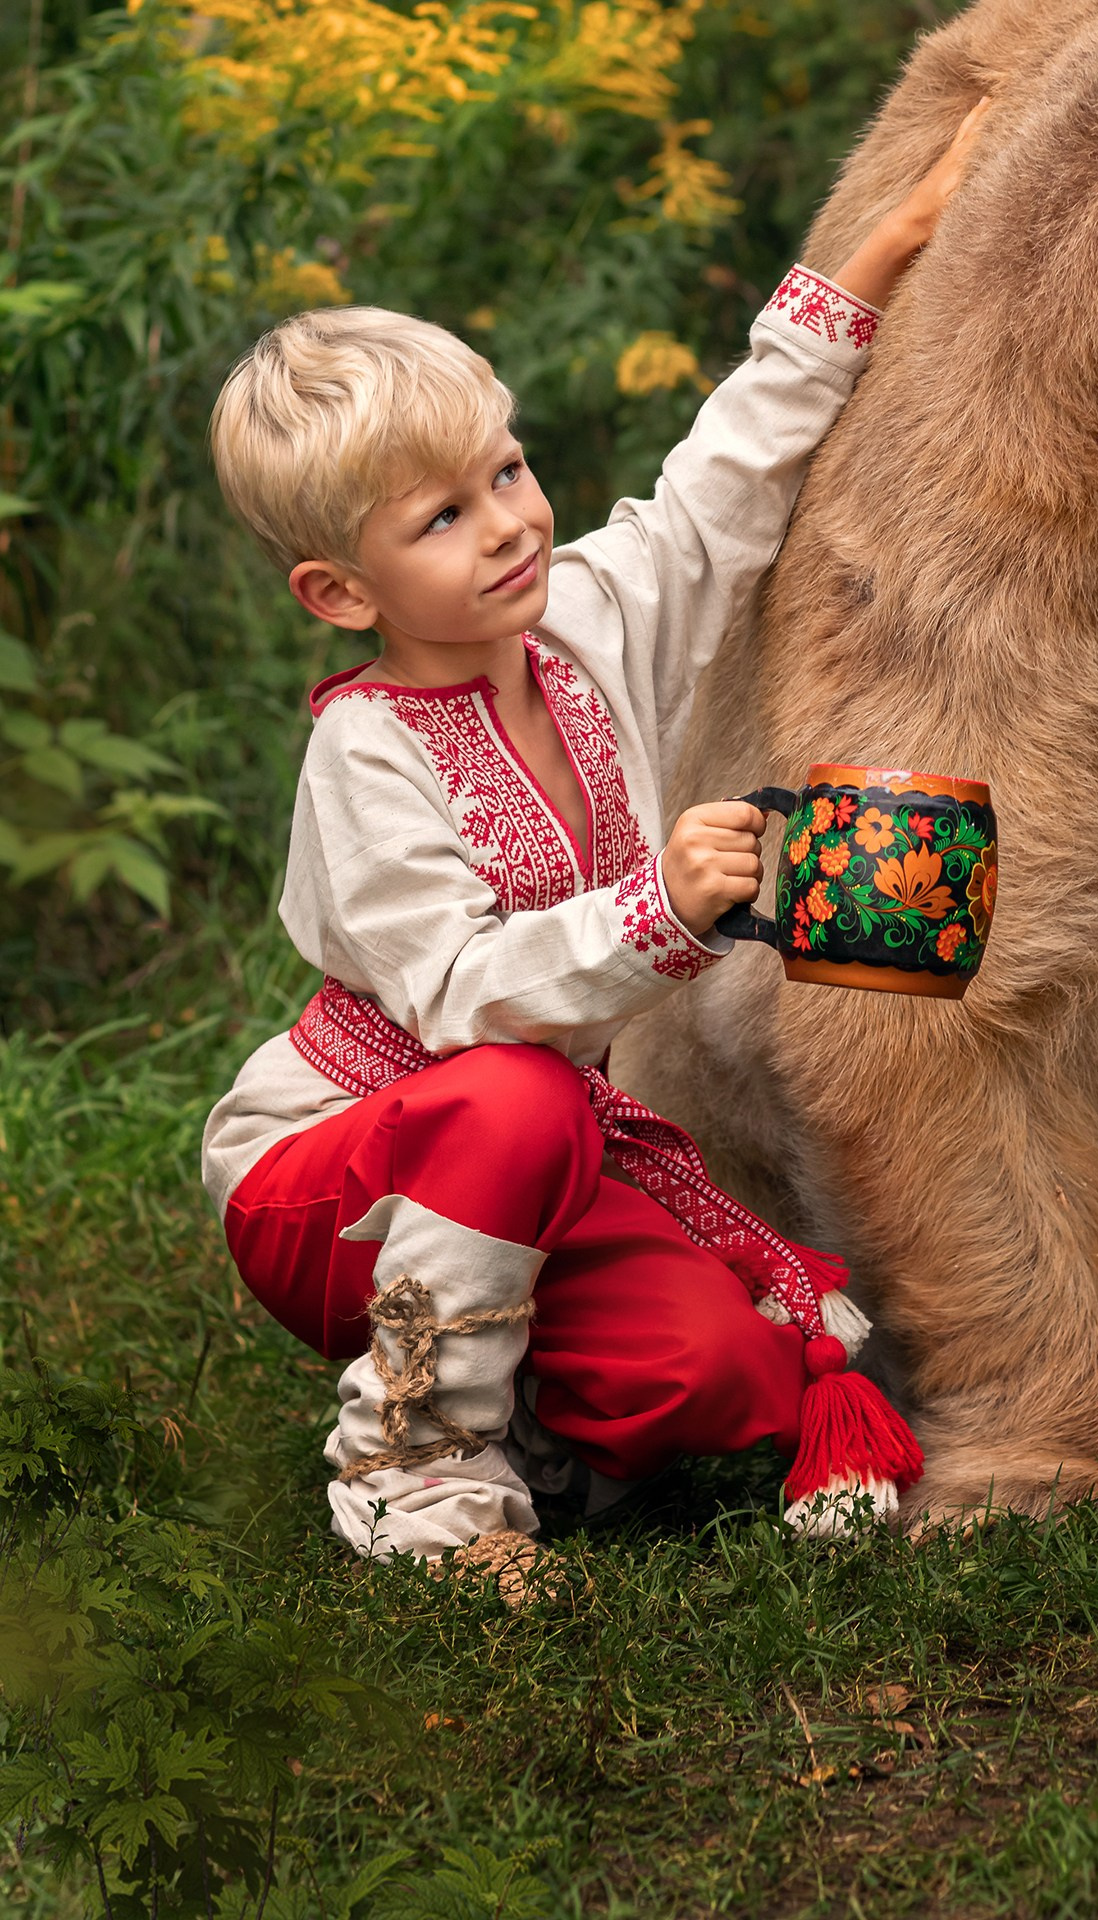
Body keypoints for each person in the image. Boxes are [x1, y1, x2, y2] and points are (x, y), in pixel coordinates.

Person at [200, 101, 988, 1572]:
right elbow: (456, 1001)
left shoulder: (583, 618)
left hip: (554, 1154)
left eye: (507, 471)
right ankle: (419, 1471)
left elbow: (719, 487)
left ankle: (532, 1425)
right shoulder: (360, 754)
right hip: (339, 1177)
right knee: (514, 1097)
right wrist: (661, 918)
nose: (506, 524)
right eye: (441, 516)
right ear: (337, 591)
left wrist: (880, 249)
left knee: (738, 1376)